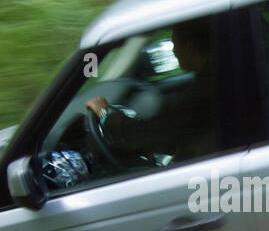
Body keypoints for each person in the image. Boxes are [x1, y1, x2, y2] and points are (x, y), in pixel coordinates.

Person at [84, 18, 216, 163]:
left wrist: (105, 113)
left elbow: (152, 134)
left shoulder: (204, 92)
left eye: (174, 44)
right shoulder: (211, 82)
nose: (173, 51)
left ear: (189, 46)